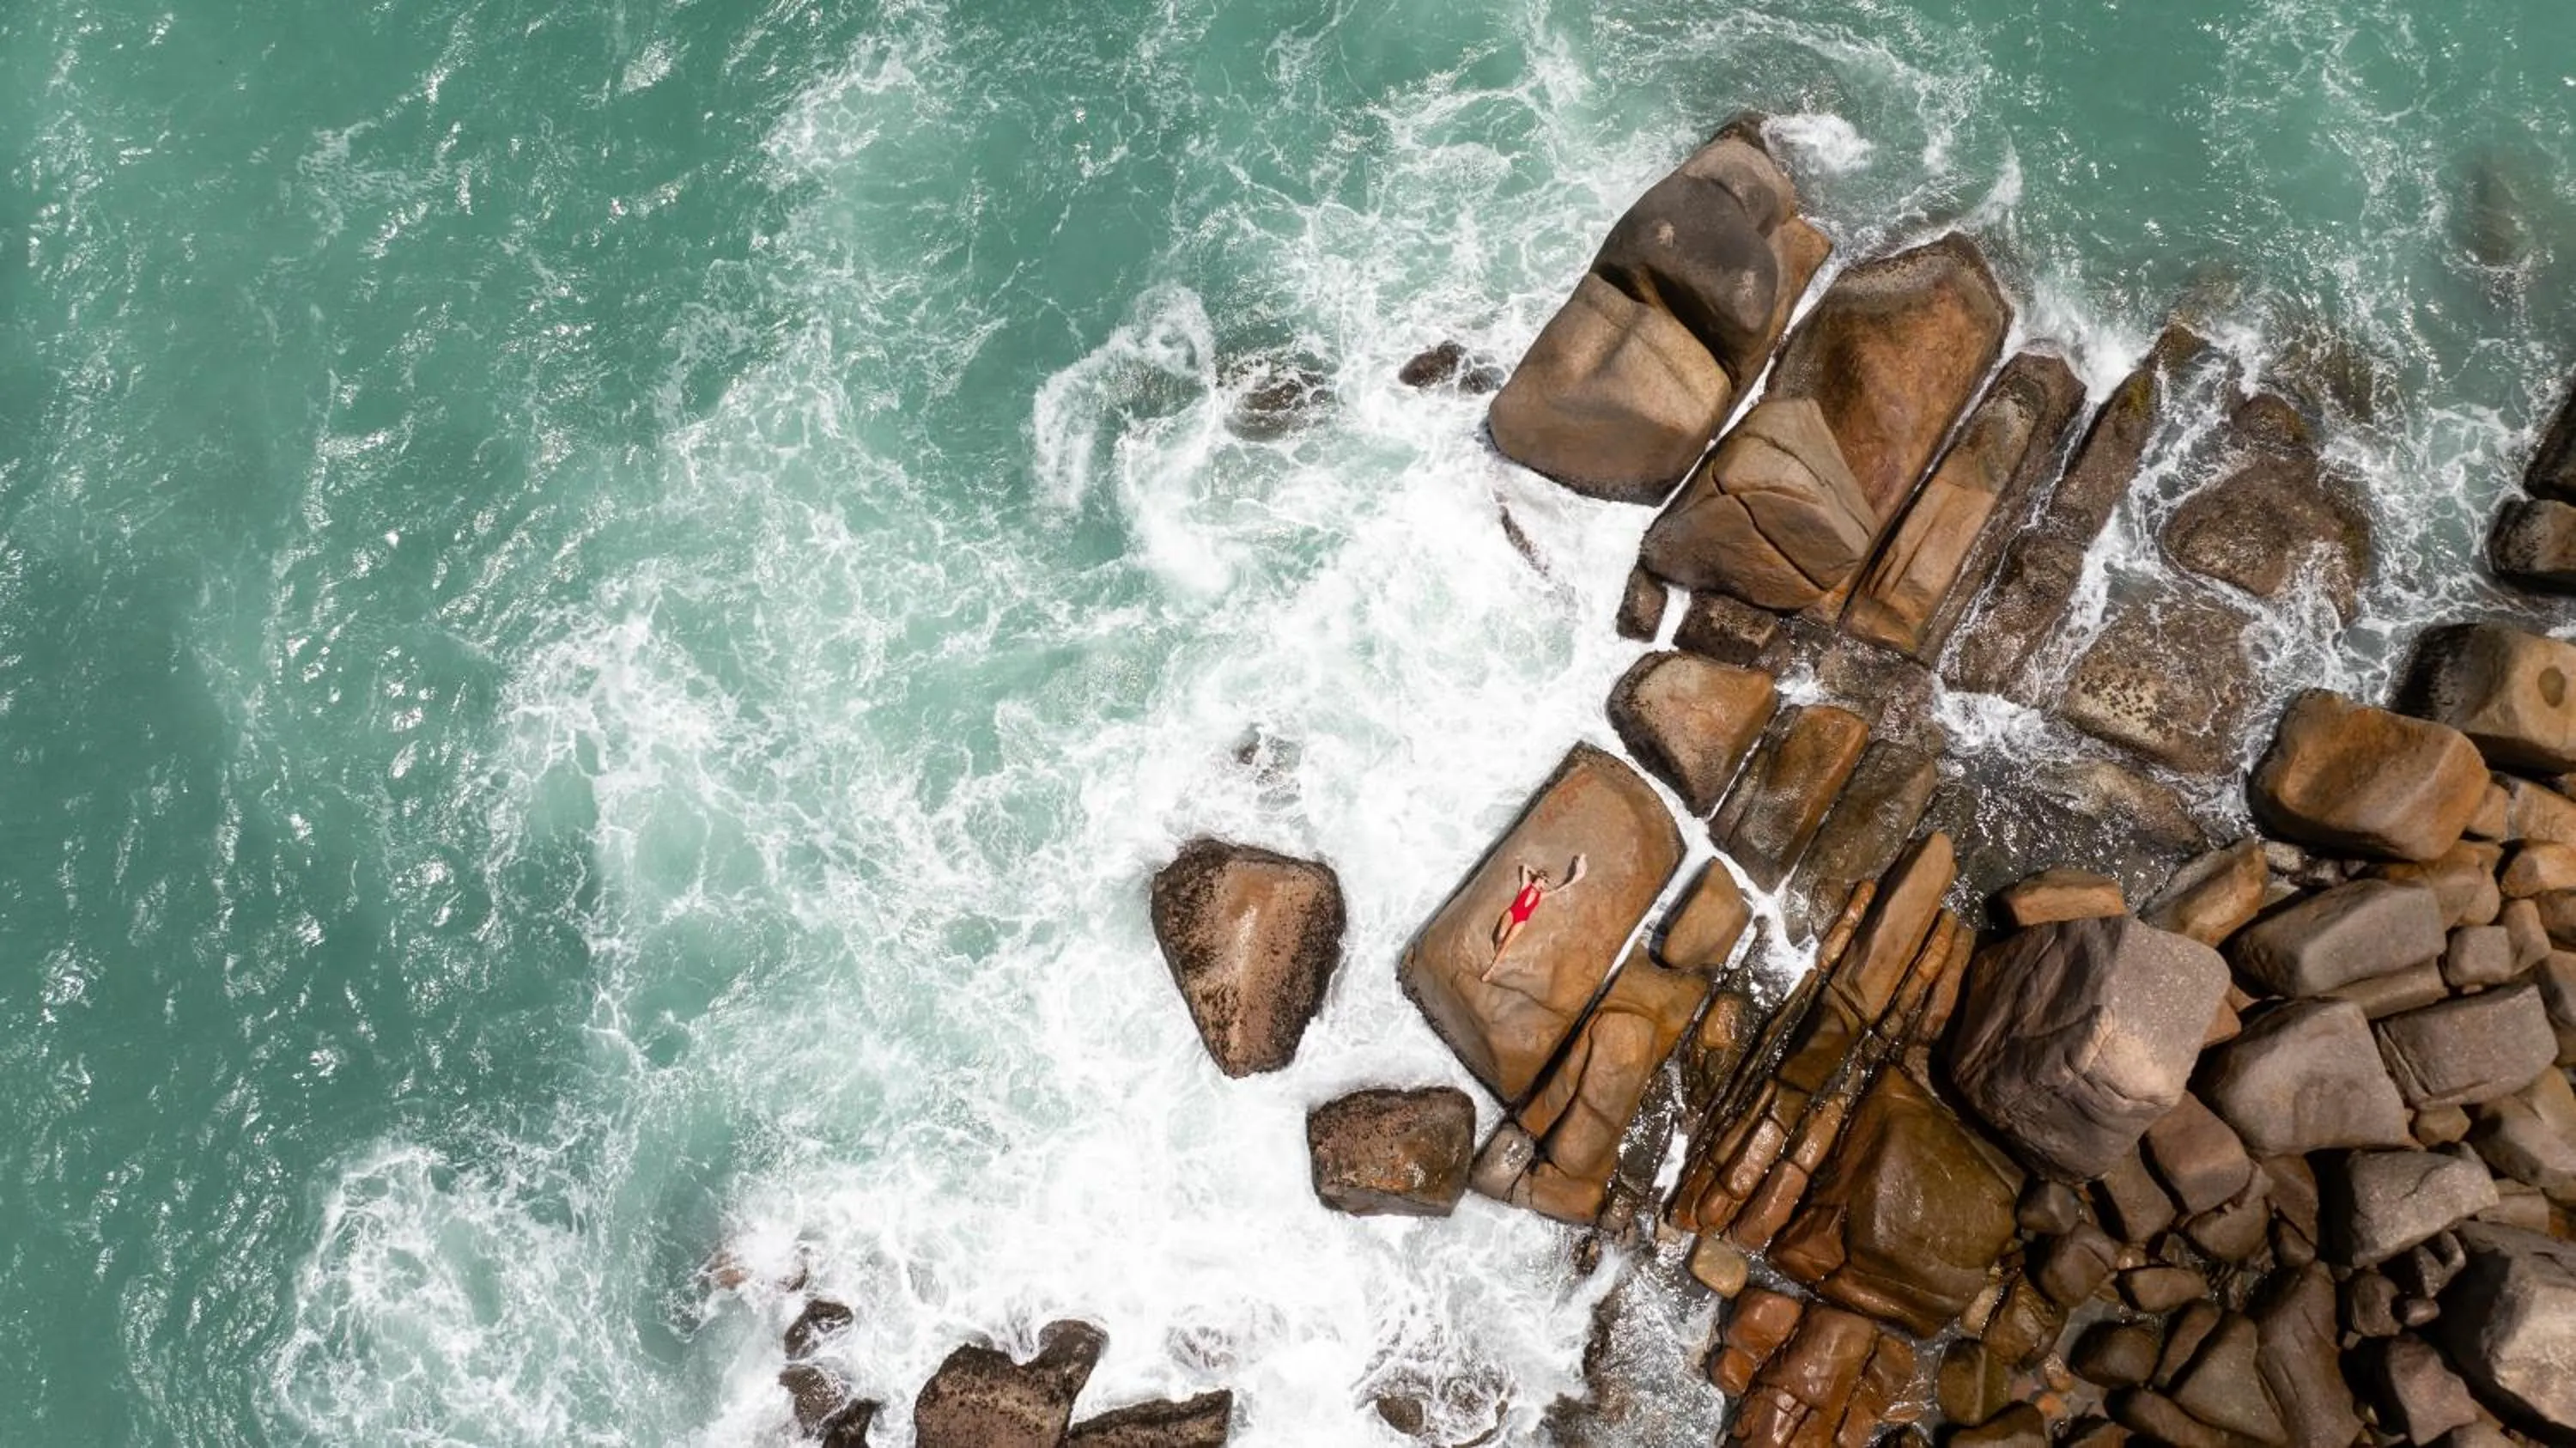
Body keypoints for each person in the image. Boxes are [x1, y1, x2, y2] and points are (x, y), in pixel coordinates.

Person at [1481, 854, 1589, 981]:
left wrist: (1573, 879)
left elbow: (1560, 889)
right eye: (1541, 878)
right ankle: (1497, 947)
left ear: (1544, 885)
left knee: (1506, 945)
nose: (1541, 880)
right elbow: (1525, 866)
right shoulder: (1525, 886)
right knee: (1500, 937)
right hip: (1511, 913)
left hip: (1521, 921)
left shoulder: (1541, 895)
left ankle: (1491, 971)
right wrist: (1536, 873)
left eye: (1544, 880)